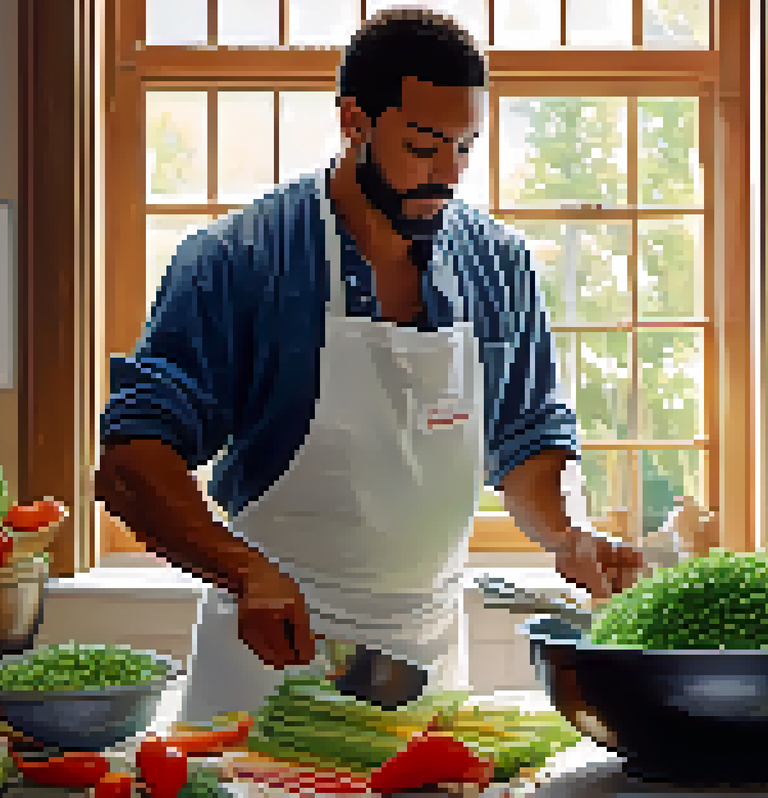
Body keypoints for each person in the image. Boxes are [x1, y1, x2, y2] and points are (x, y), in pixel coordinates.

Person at [94, 7, 647, 722]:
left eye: (466, 147)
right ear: (355, 120)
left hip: (427, 676)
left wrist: (571, 532)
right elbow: (132, 460)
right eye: (425, 146)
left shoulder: (499, 266)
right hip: (263, 670)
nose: (448, 173)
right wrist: (245, 572)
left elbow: (531, 440)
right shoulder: (240, 259)